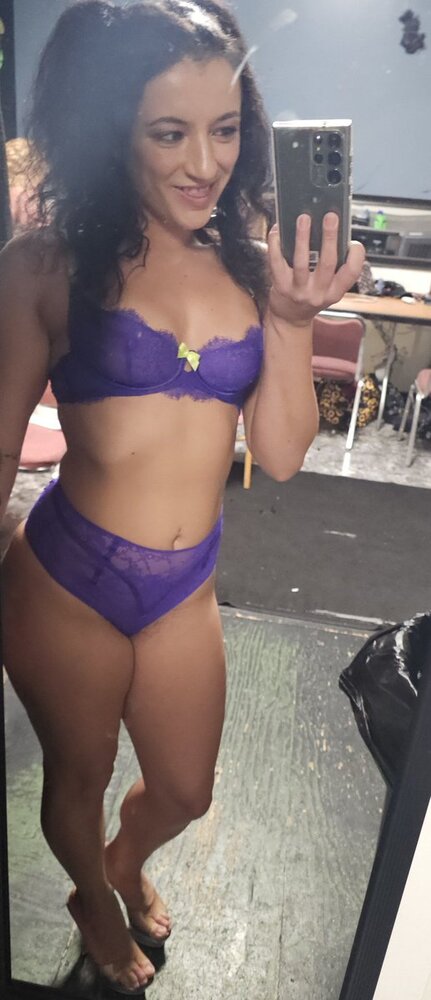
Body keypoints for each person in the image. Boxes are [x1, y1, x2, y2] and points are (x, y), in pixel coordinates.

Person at [0, 0, 365, 994]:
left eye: (226, 128)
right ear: (108, 128)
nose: (205, 163)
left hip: (183, 585)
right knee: (76, 776)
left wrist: (293, 318)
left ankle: (124, 861)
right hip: (66, 579)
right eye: (169, 133)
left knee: (184, 790)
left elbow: (279, 457)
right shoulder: (43, 266)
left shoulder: (253, 261)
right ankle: (89, 893)